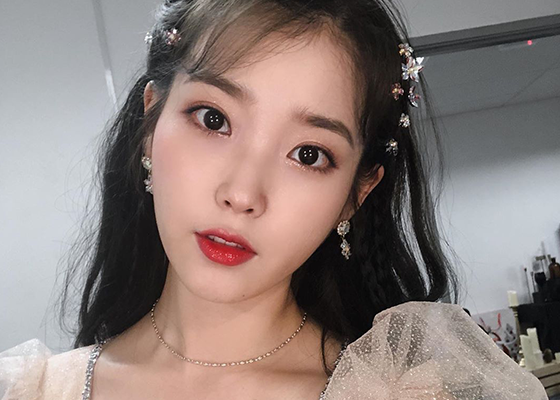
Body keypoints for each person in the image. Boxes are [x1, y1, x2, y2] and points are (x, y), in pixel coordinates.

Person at [0, 0, 548, 399]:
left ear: (356, 194)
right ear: (151, 123)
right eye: (213, 119)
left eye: (309, 154)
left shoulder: (410, 393)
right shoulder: (27, 389)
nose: (242, 194)